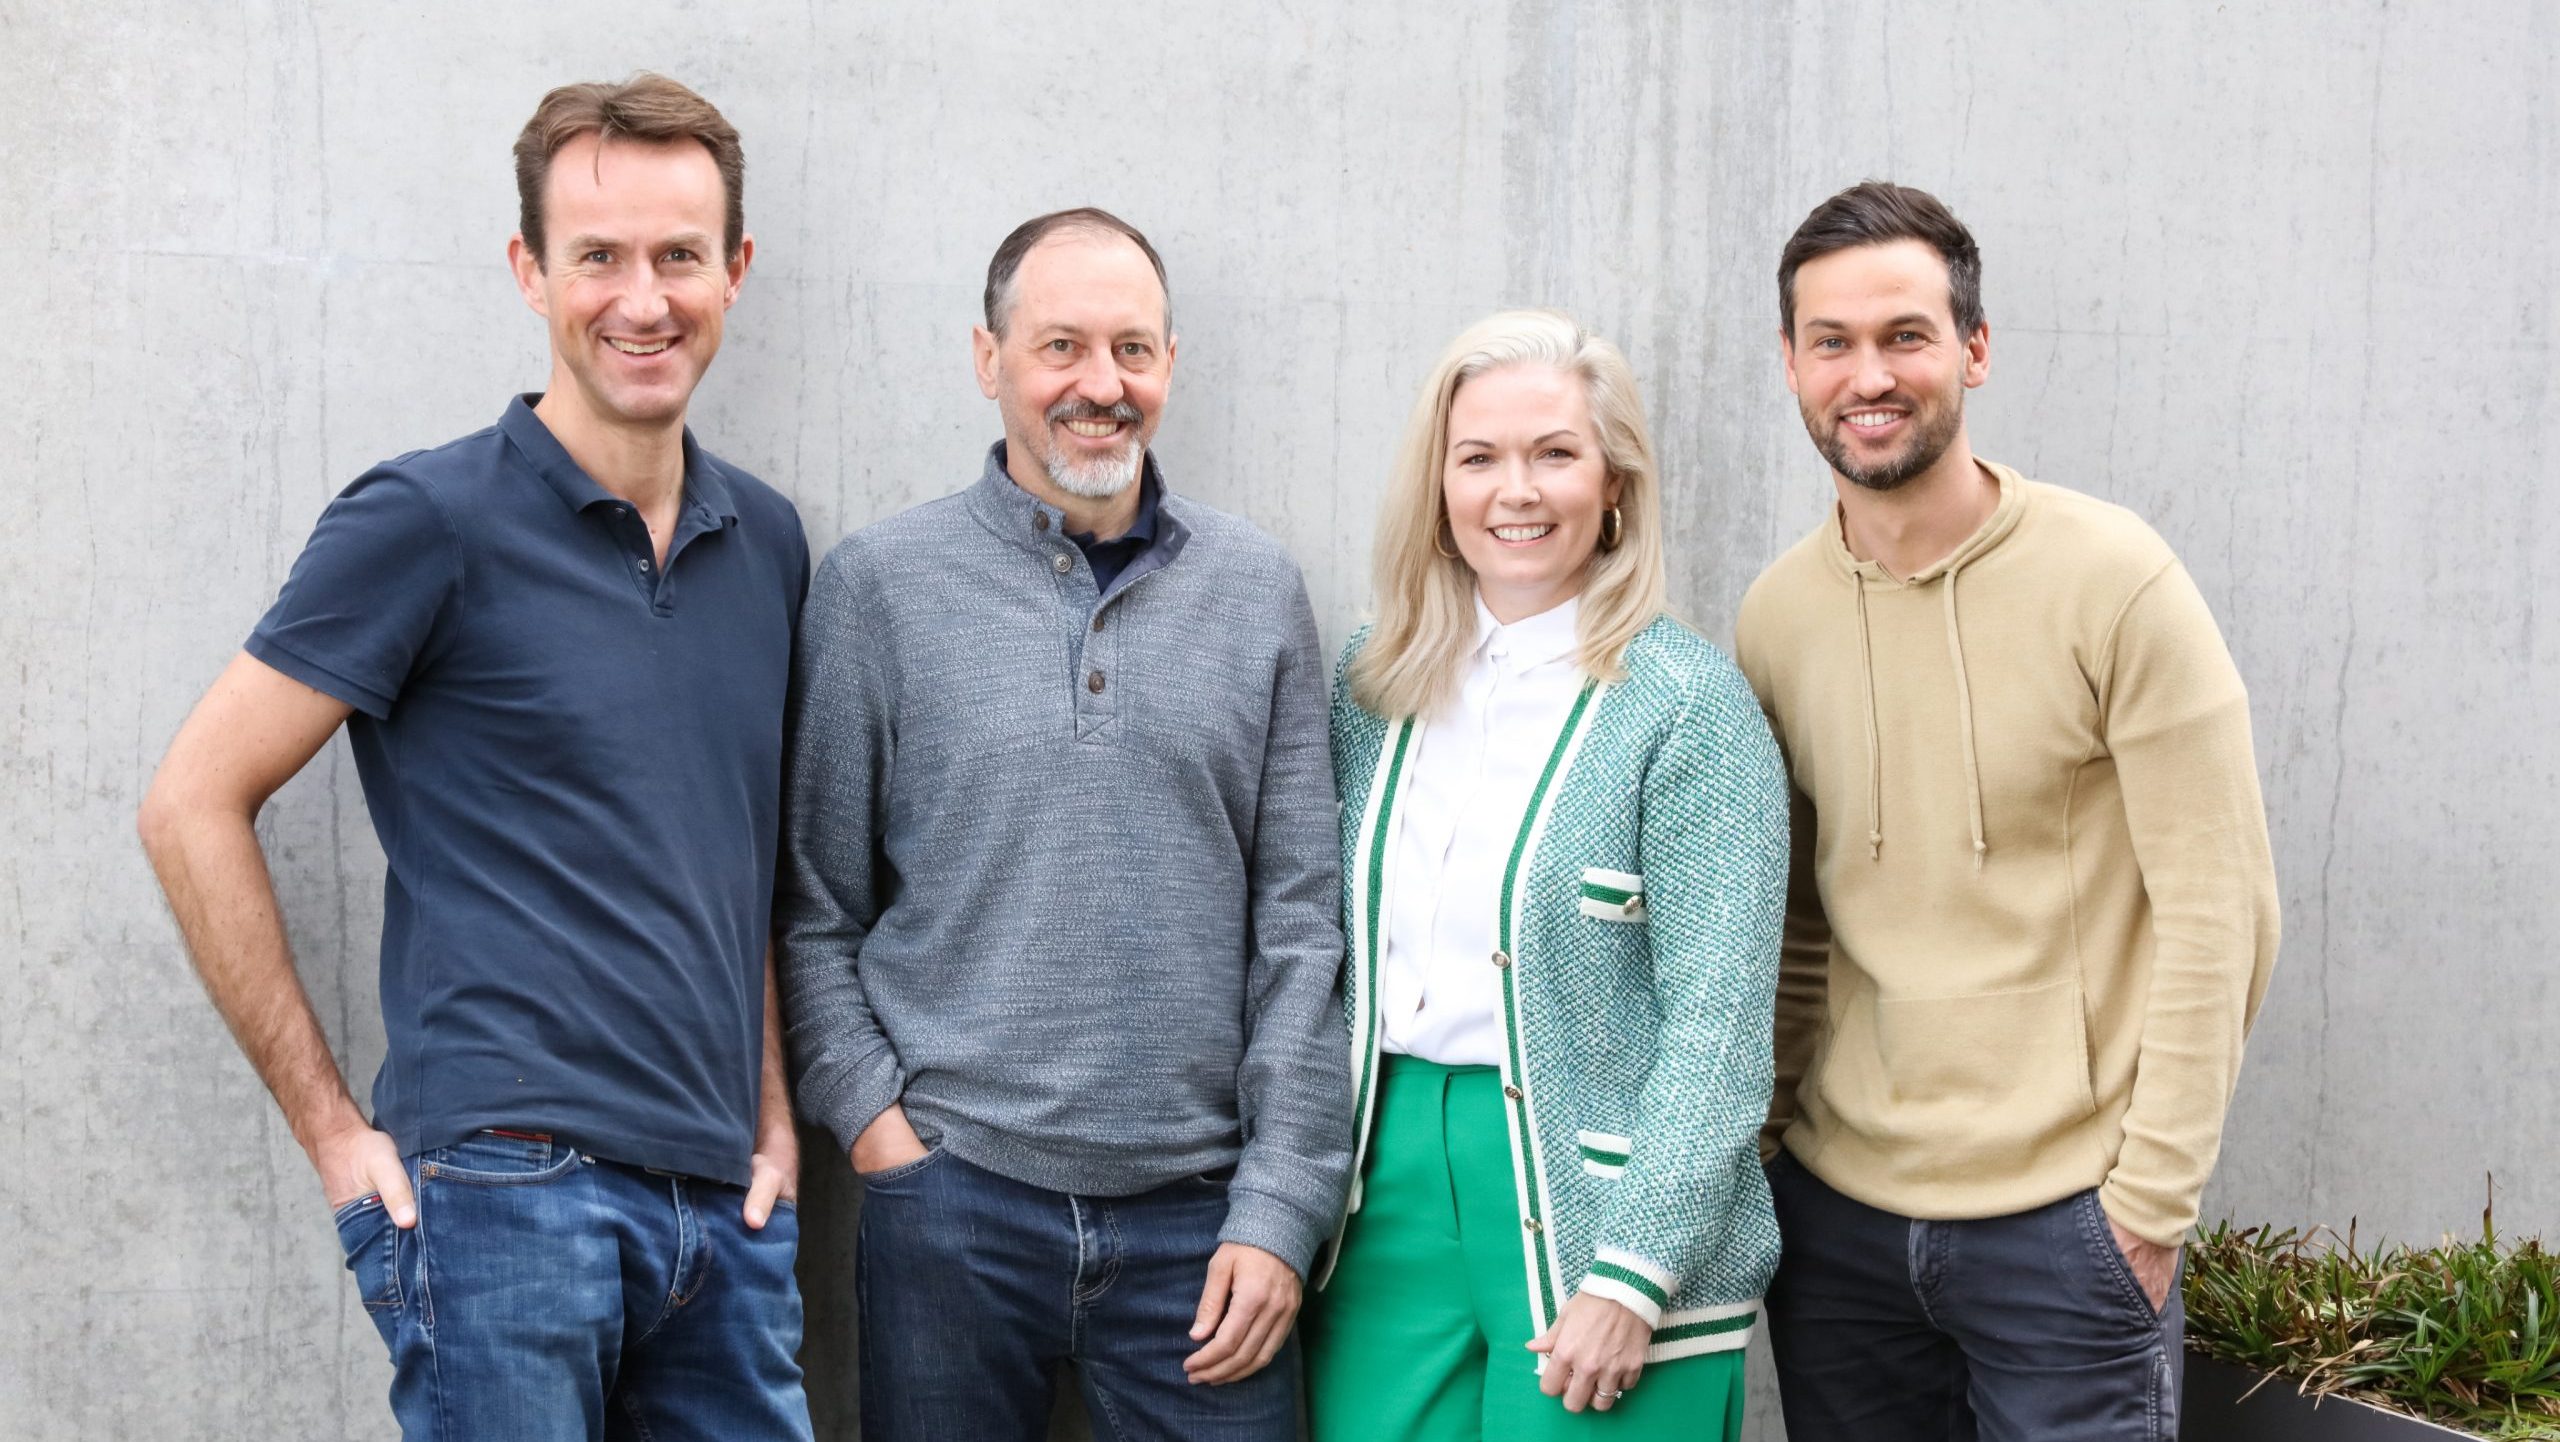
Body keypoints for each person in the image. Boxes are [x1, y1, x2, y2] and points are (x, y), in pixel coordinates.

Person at [134, 75, 814, 1441]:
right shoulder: (426, 518)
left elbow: (734, 860)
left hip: (721, 1216)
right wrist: (335, 1133)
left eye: (680, 255)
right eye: (598, 256)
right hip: (508, 1190)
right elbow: (189, 803)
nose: (643, 298)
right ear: (529, 270)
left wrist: (775, 1119)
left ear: (735, 270)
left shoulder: (772, 544)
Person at [776, 206, 1350, 1442]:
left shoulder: (1256, 592)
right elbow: (814, 909)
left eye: (1132, 349)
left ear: (1170, 364)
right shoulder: (879, 588)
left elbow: (1305, 926)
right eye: (1061, 348)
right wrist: (884, 1140)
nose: (1102, 385)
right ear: (989, 360)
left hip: (1205, 1224)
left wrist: (1280, 1202)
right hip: (953, 1204)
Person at [1737, 180, 2281, 1441]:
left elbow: (2221, 907)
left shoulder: (2114, 578)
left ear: (1972, 350)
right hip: (1842, 1223)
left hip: (2067, 1230)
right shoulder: (1777, 616)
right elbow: (1796, 917)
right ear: (1791, 364)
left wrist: (2148, 1201)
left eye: (1904, 335)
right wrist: (1768, 1149)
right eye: (1832, 342)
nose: (1867, 374)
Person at [1304, 309, 1789, 1442]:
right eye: (1477, 457)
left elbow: (1718, 1030)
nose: (1514, 489)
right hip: (1383, 1195)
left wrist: (1634, 1272)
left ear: (1613, 481)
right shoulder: (1372, 681)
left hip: (1604, 1210)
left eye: (1553, 454)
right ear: (1438, 485)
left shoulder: (1687, 707)